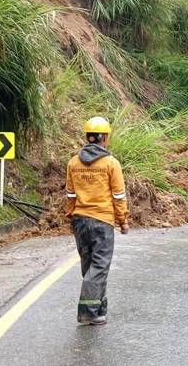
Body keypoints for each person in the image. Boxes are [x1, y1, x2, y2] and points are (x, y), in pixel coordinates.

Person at [65, 116, 129, 326]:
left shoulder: (74, 162)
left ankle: (99, 309)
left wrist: (71, 215)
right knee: (99, 267)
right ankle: (88, 312)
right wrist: (123, 220)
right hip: (102, 221)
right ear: (105, 138)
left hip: (80, 221)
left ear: (88, 137)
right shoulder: (111, 163)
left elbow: (71, 194)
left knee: (90, 266)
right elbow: (118, 195)